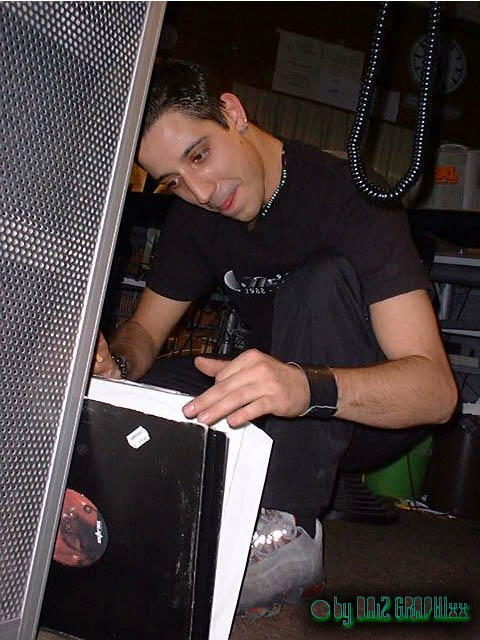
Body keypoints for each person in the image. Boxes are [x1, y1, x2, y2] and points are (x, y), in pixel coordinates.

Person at [94, 61, 457, 615]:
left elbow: (436, 392)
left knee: (319, 283)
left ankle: (291, 525)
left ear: (233, 113)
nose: (200, 192)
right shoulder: (195, 216)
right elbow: (144, 330)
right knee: (160, 386)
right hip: (280, 402)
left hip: (367, 416)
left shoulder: (351, 196)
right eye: (174, 181)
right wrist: (114, 364)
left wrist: (304, 387)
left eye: (199, 155)